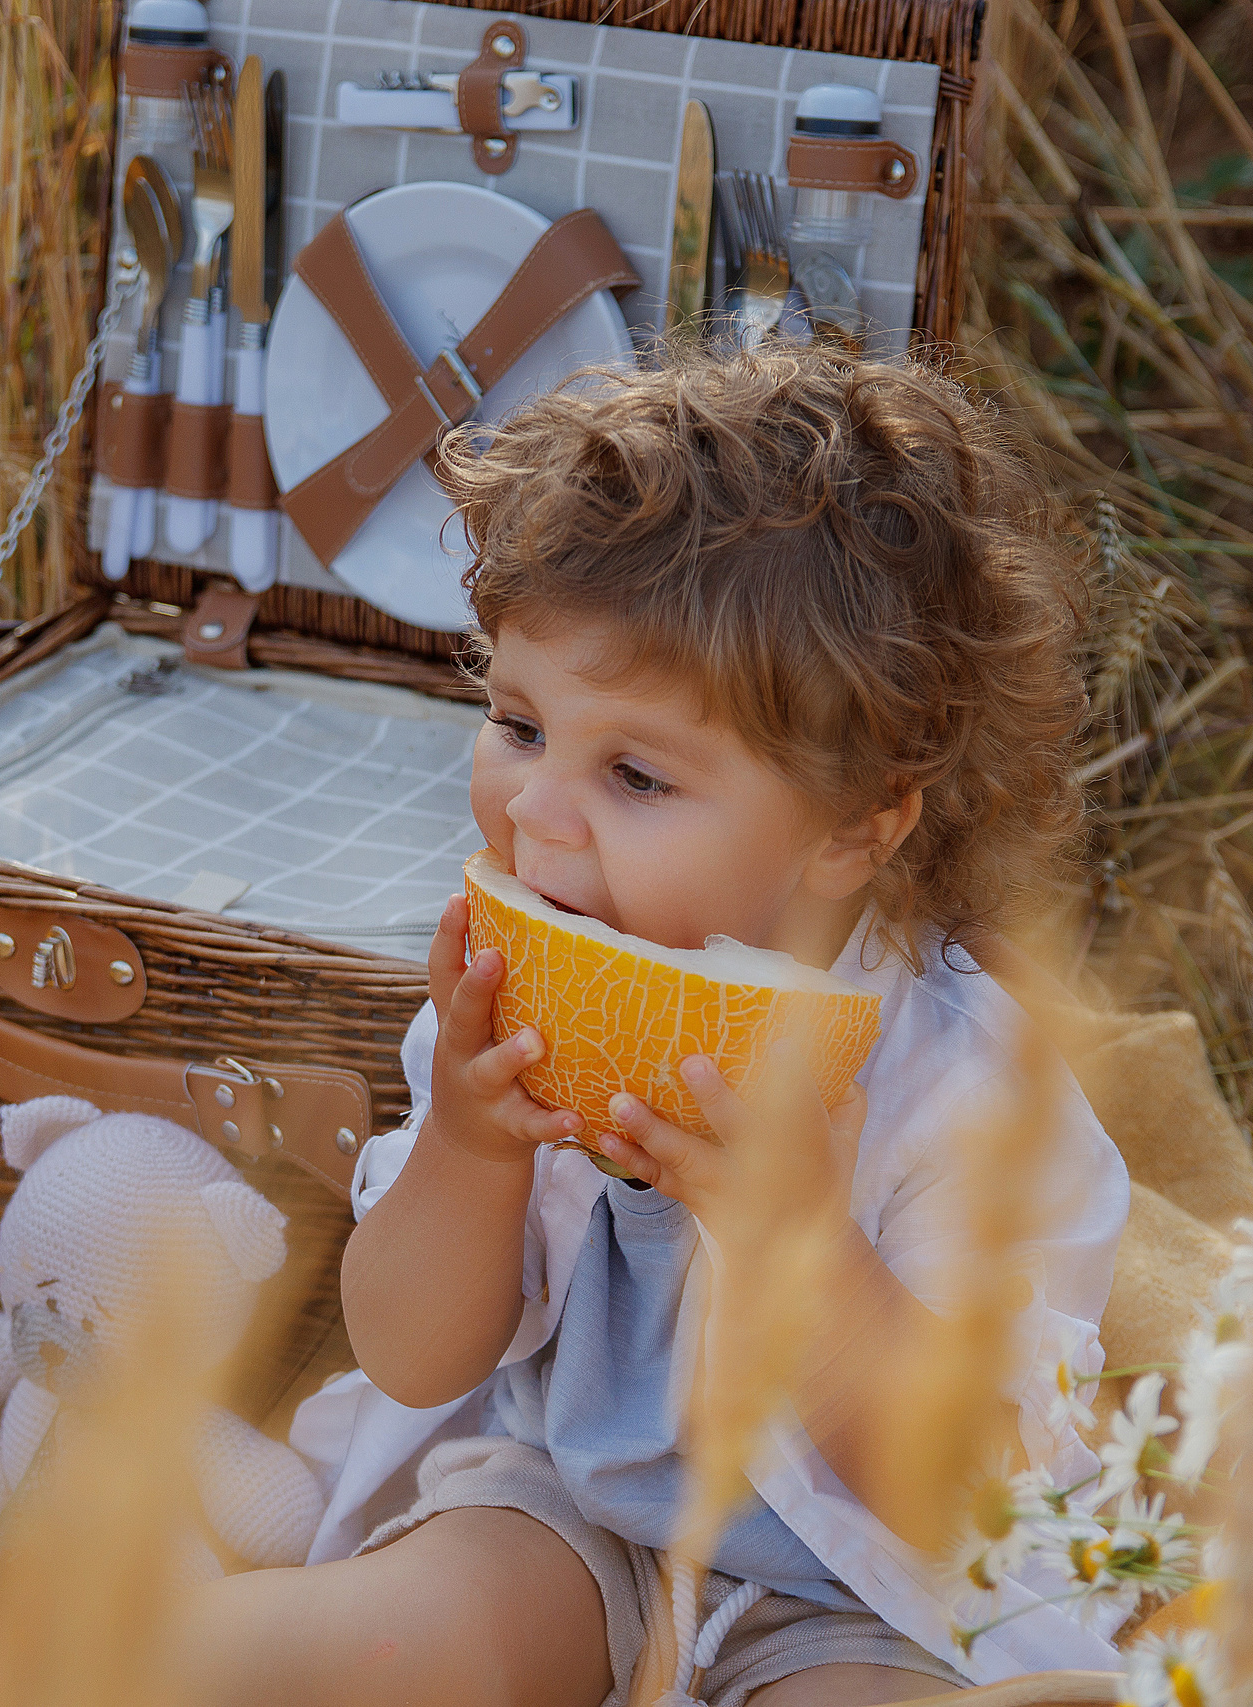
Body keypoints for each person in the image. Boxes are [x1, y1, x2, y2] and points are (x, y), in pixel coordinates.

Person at [173, 343, 1132, 1707]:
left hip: (853, 1597)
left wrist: (805, 1245)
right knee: (337, 1649)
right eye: (515, 722)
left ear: (859, 824)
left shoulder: (974, 1099)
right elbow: (409, 1349)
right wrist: (468, 1143)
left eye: (633, 773)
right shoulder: (518, 1008)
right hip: (560, 1523)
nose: (536, 813)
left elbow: (954, 1490)